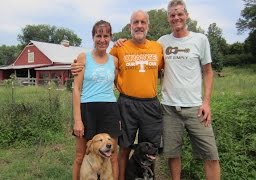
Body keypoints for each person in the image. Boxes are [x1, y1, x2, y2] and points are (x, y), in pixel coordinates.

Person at [72, 10, 164, 180]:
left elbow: (166, 70)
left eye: (143, 22)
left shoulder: (157, 48)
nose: (139, 26)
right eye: (135, 22)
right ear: (130, 26)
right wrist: (74, 65)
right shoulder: (117, 49)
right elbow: (86, 74)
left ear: (148, 26)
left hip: (144, 104)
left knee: (148, 149)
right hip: (121, 104)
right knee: (122, 148)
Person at [157, 0, 221, 179]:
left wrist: (206, 102)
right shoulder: (161, 42)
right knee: (173, 154)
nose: (176, 17)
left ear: (186, 15)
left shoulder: (200, 39)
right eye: (172, 15)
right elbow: (143, 53)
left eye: (179, 14)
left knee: (211, 155)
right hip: (169, 108)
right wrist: (120, 43)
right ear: (168, 18)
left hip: (196, 108)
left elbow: (208, 72)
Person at [72, 20, 121, 180]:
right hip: (88, 110)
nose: (102, 40)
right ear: (93, 37)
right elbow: (77, 89)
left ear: (110, 37)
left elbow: (118, 84)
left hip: (109, 110)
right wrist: (78, 120)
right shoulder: (83, 58)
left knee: (112, 156)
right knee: (81, 155)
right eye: (98, 35)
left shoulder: (114, 60)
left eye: (106, 36)